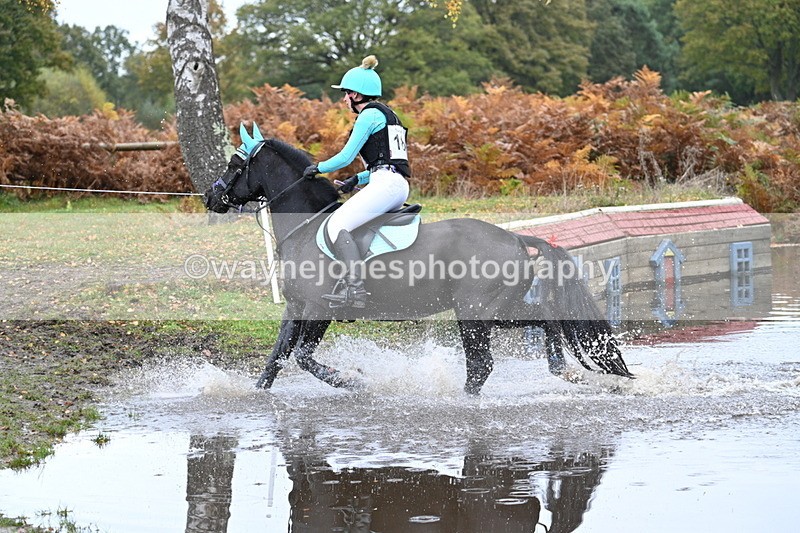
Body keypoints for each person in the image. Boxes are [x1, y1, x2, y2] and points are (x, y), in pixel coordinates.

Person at [302, 55, 411, 309]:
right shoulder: (389, 114)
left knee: (337, 225)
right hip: (395, 184)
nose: (344, 99)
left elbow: (346, 156)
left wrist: (318, 168)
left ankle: (355, 291)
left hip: (386, 185)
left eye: (346, 93)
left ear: (356, 95)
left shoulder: (368, 115)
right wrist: (356, 179)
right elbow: (387, 162)